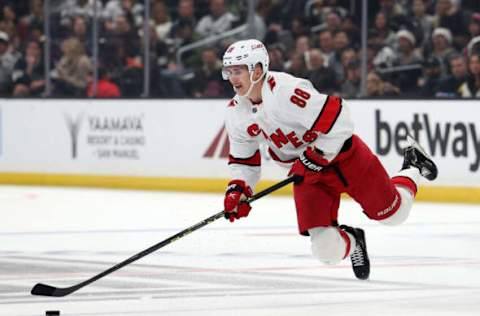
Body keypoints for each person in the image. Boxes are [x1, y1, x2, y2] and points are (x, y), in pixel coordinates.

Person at [220, 39, 438, 280]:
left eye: (237, 70)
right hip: (308, 177)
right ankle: (355, 241)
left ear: (258, 70)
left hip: (346, 158)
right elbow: (243, 160)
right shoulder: (235, 112)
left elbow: (339, 117)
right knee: (327, 251)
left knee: (394, 215)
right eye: (229, 71)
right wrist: (238, 189)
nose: (232, 77)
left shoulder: (285, 91)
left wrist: (315, 156)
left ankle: (413, 167)